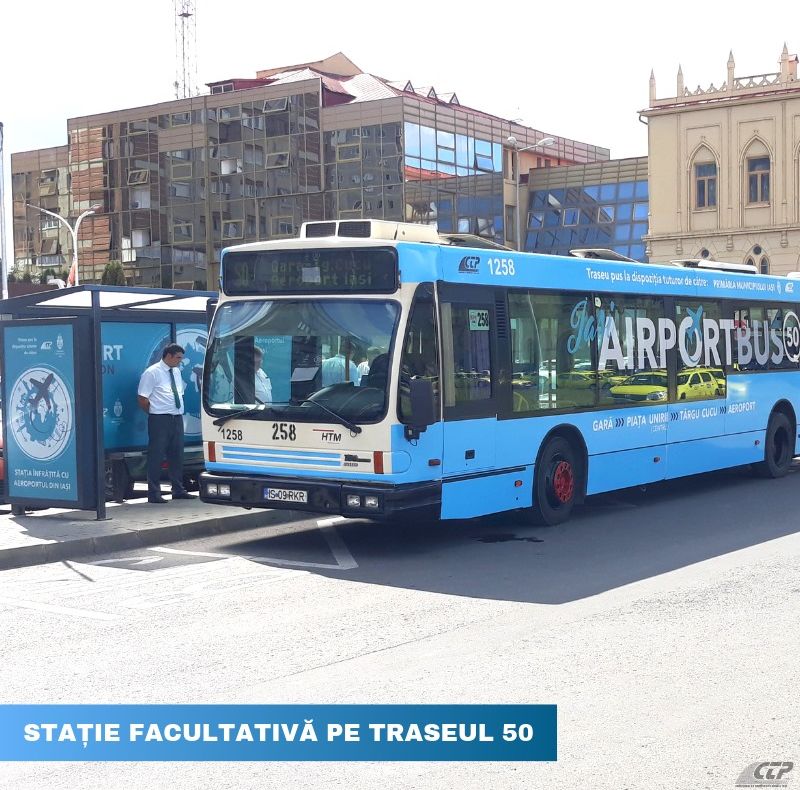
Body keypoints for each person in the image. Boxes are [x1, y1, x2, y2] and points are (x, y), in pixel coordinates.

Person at [137, 343, 196, 504]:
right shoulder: (152, 373)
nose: (180, 361)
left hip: (176, 417)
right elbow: (142, 398)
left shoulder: (176, 372)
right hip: (160, 419)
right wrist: (155, 412)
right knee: (156, 455)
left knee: (177, 455)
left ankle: (177, 489)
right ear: (168, 356)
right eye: (178, 358)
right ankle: (154, 492)